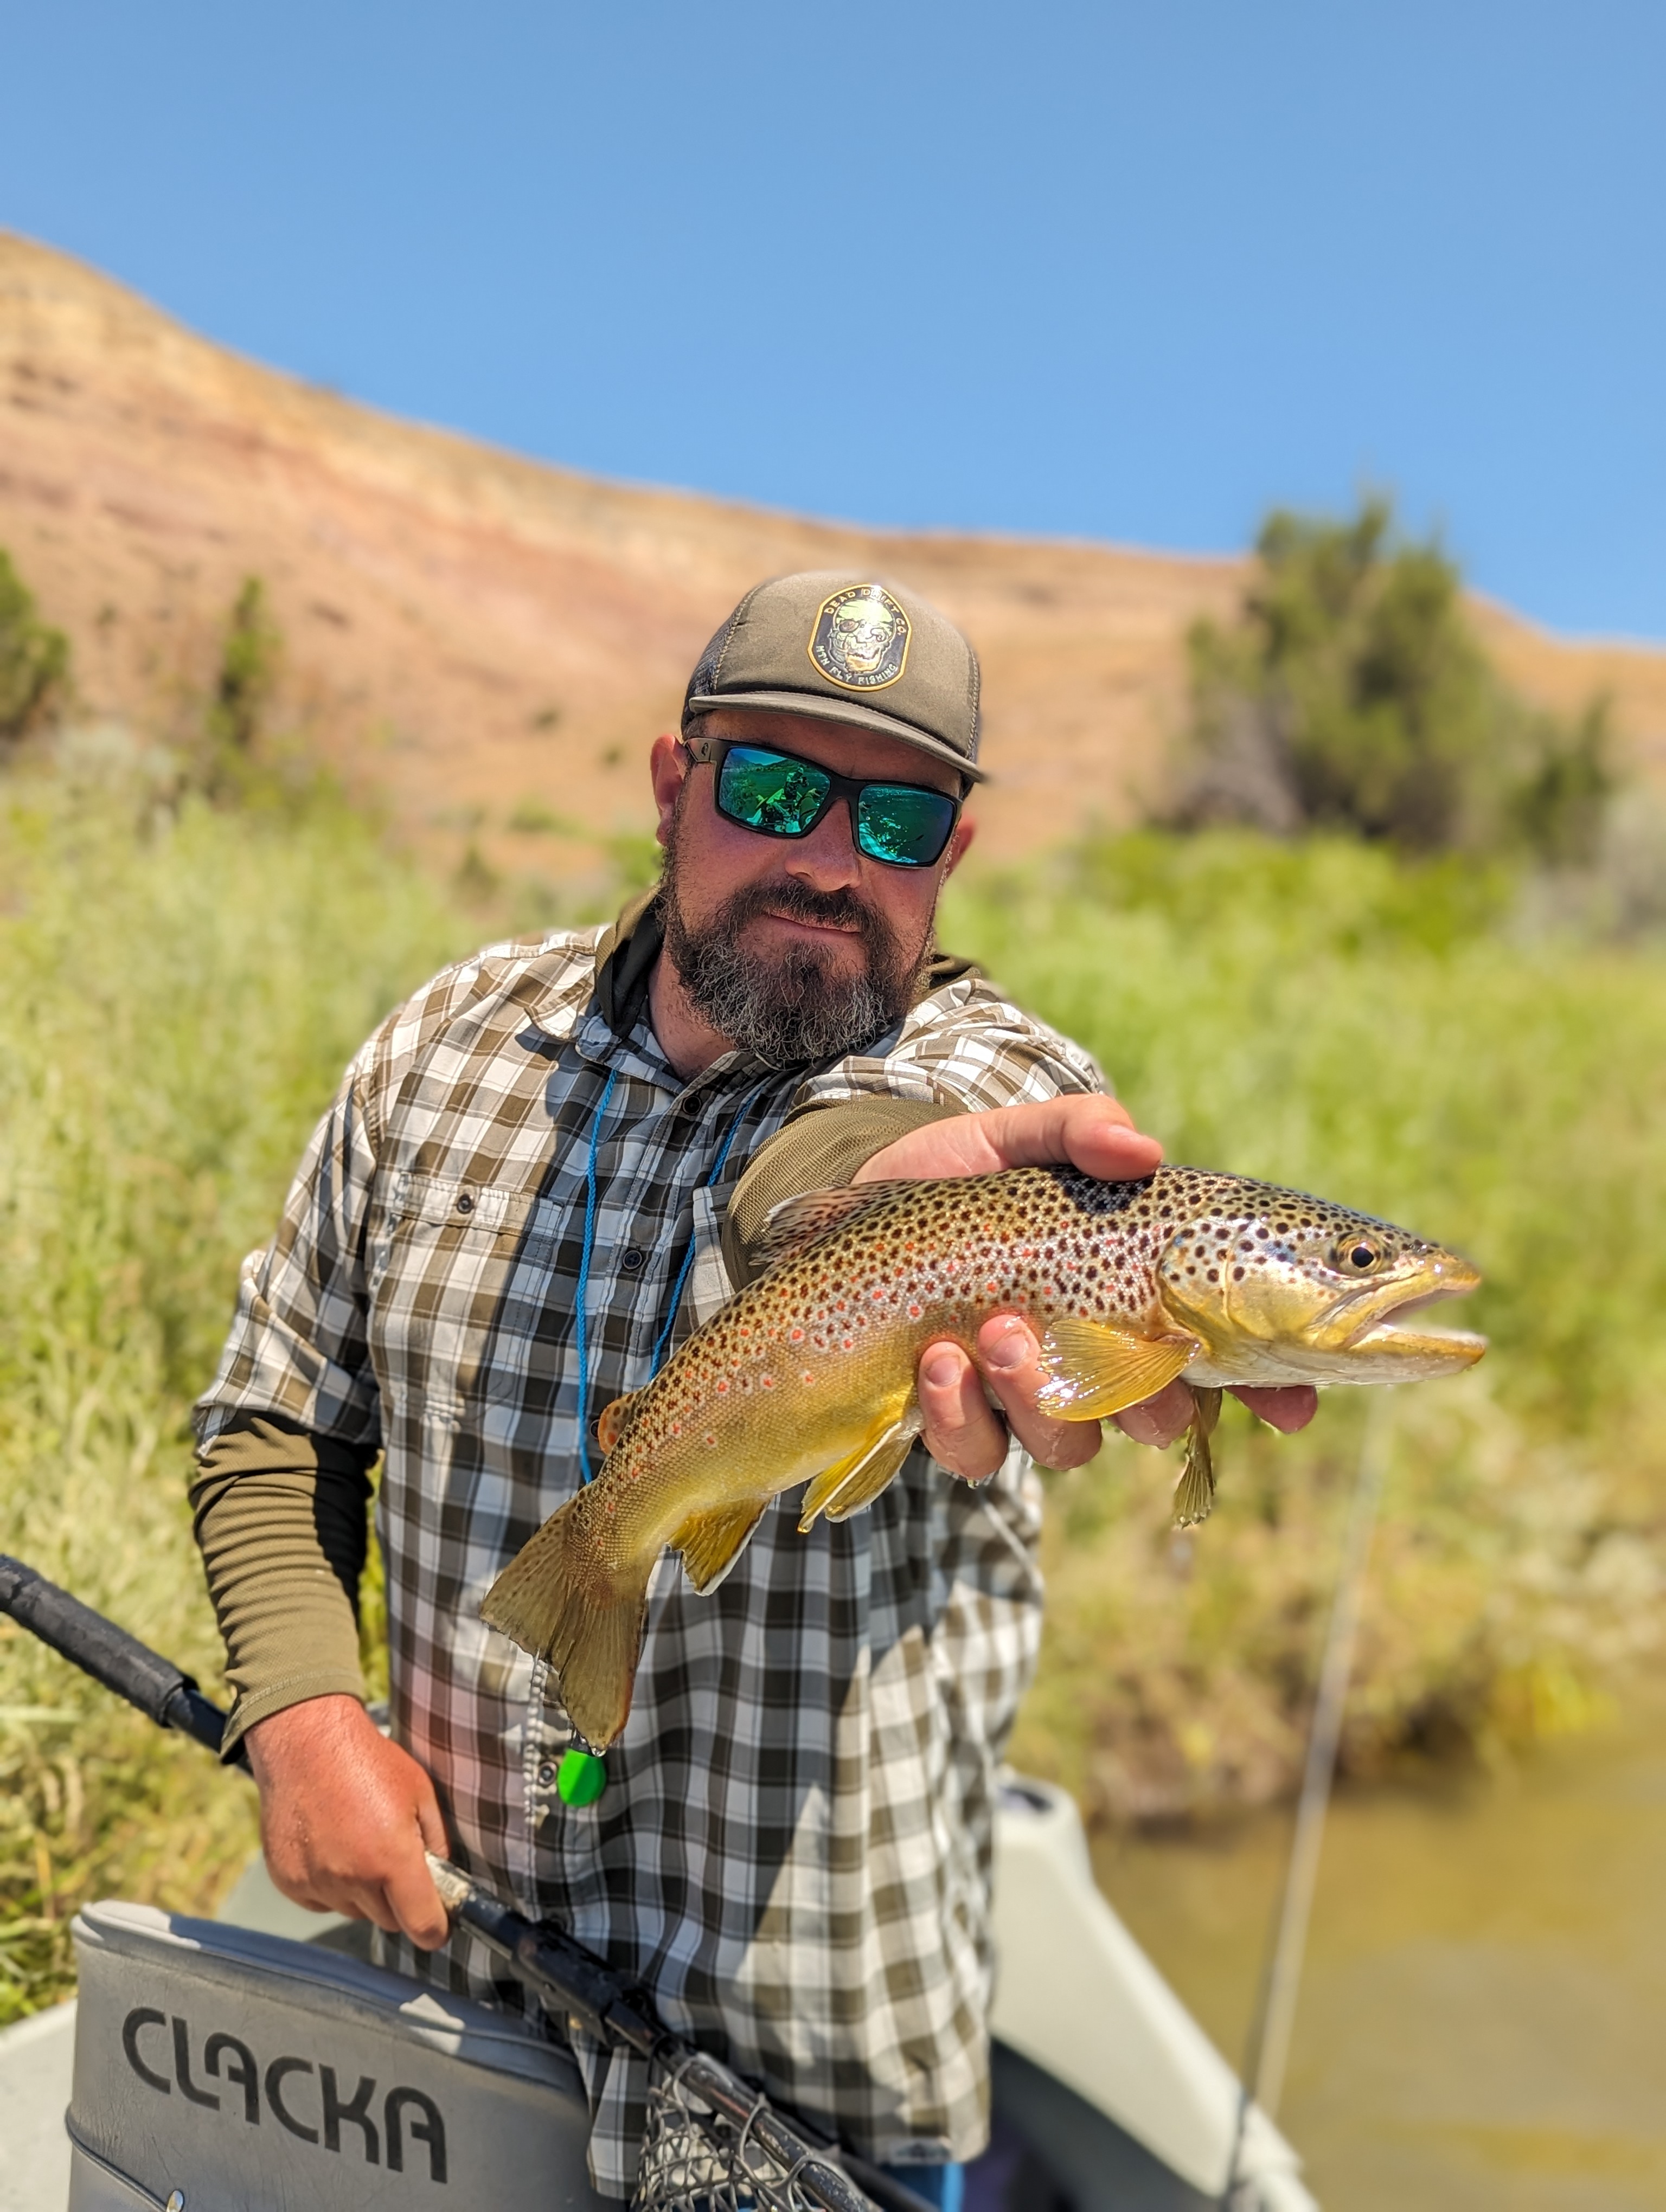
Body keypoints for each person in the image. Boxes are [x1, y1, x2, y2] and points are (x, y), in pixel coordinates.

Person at [191, 572, 1313, 2205]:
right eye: (776, 789)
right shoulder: (439, 1049)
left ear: (955, 857)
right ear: (674, 782)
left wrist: (877, 1211)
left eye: (902, 820)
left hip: (814, 2100)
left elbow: (848, 1159)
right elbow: (279, 1414)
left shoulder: (1001, 1089)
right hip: (442, 2011)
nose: (833, 862)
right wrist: (300, 1712)